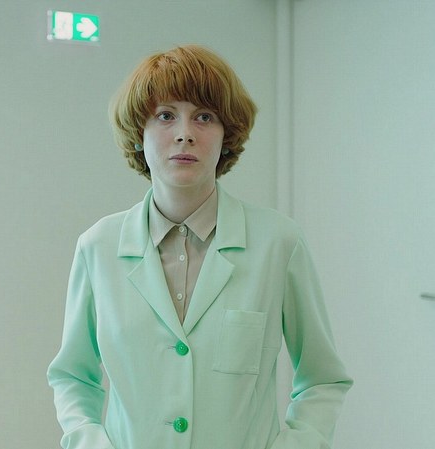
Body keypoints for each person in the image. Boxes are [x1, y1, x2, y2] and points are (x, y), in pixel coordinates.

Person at [47, 45, 352, 449]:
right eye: (165, 115)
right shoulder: (98, 247)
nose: (184, 133)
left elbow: (322, 378)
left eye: (204, 116)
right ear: (139, 134)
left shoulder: (279, 243)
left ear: (227, 136)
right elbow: (72, 375)